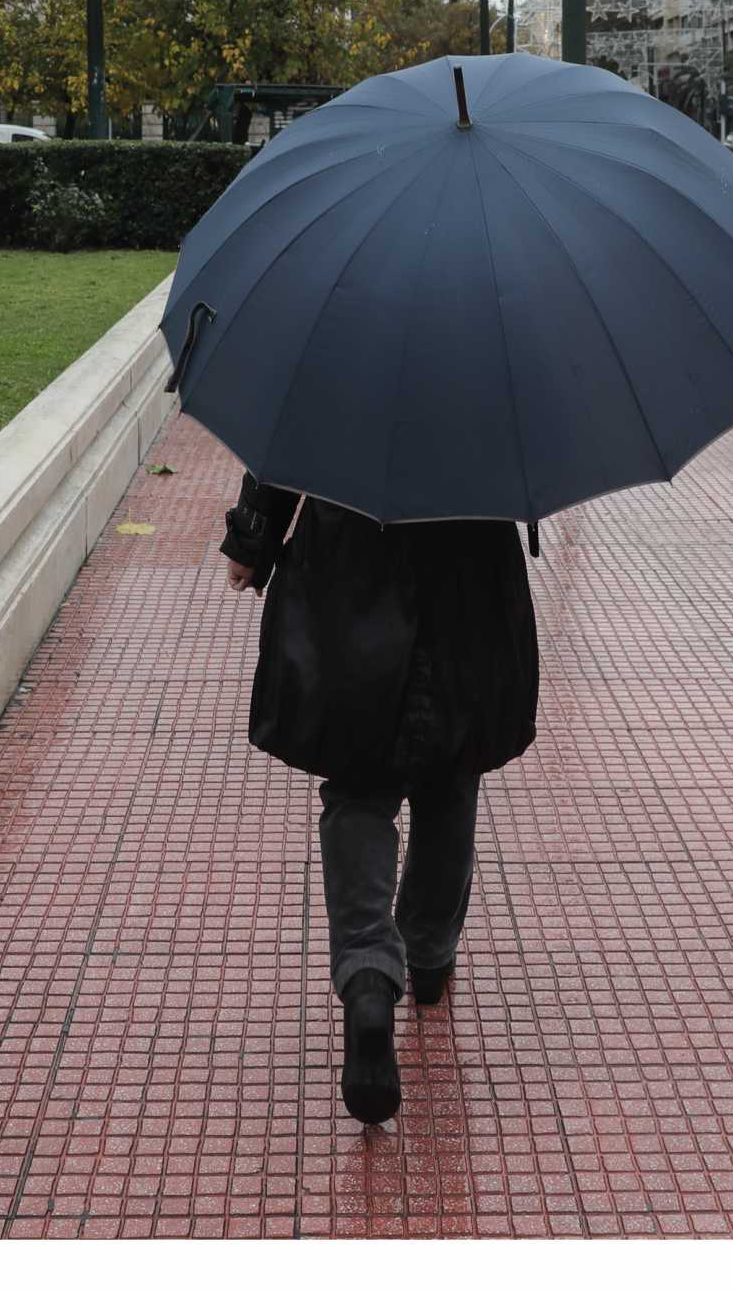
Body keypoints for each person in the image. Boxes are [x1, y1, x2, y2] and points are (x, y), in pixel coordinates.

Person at [219, 472, 538, 1127]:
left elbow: (286, 441)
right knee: (453, 768)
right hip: (470, 561)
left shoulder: (332, 364)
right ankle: (427, 953)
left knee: (358, 782)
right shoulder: (497, 367)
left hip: (348, 556)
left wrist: (254, 535)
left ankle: (368, 974)